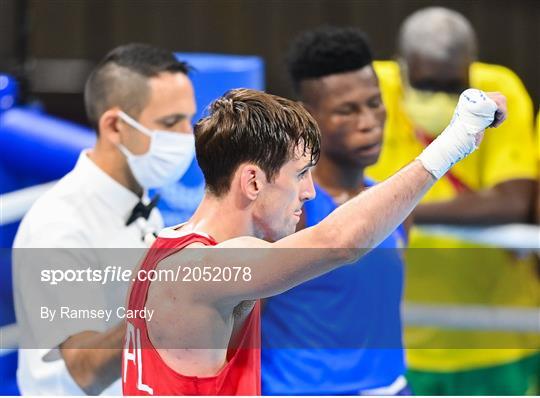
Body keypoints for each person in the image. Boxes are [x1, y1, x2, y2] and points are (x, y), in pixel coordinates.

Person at [122, 86, 506, 395]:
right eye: (301, 173)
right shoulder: (202, 269)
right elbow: (340, 241)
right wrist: (456, 141)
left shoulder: (170, 248)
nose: (308, 192)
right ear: (254, 181)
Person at [366, 7, 540, 395]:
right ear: (403, 65)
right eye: (428, 84)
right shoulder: (368, 88)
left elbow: (512, 201)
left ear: (470, 67)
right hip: (392, 343)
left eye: (453, 84)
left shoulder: (498, 89)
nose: (441, 96)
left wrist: (388, 210)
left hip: (496, 340)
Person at [13, 43, 197, 395]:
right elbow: (84, 371)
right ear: (114, 126)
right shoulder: (60, 225)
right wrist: (174, 300)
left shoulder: (141, 202)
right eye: (171, 122)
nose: (186, 136)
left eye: (189, 120)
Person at [261, 26, 408, 395]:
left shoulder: (389, 201)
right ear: (310, 117)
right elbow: (240, 317)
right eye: (347, 110)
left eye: (374, 102)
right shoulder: (292, 211)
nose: (368, 122)